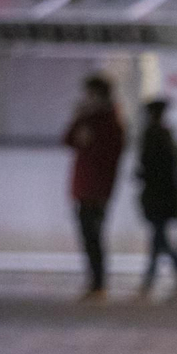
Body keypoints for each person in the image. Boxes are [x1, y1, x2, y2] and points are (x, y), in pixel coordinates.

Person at [62, 74, 125, 300]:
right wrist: (79, 118)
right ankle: (95, 282)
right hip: (84, 187)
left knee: (94, 235)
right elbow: (68, 140)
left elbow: (110, 155)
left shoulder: (109, 121)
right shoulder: (89, 119)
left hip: (97, 189)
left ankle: (98, 283)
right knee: (88, 236)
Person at [136, 98, 177, 297]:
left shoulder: (154, 135)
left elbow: (150, 167)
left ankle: (152, 278)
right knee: (159, 238)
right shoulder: (167, 135)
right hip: (164, 196)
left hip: (157, 196)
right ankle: (165, 276)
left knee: (159, 238)